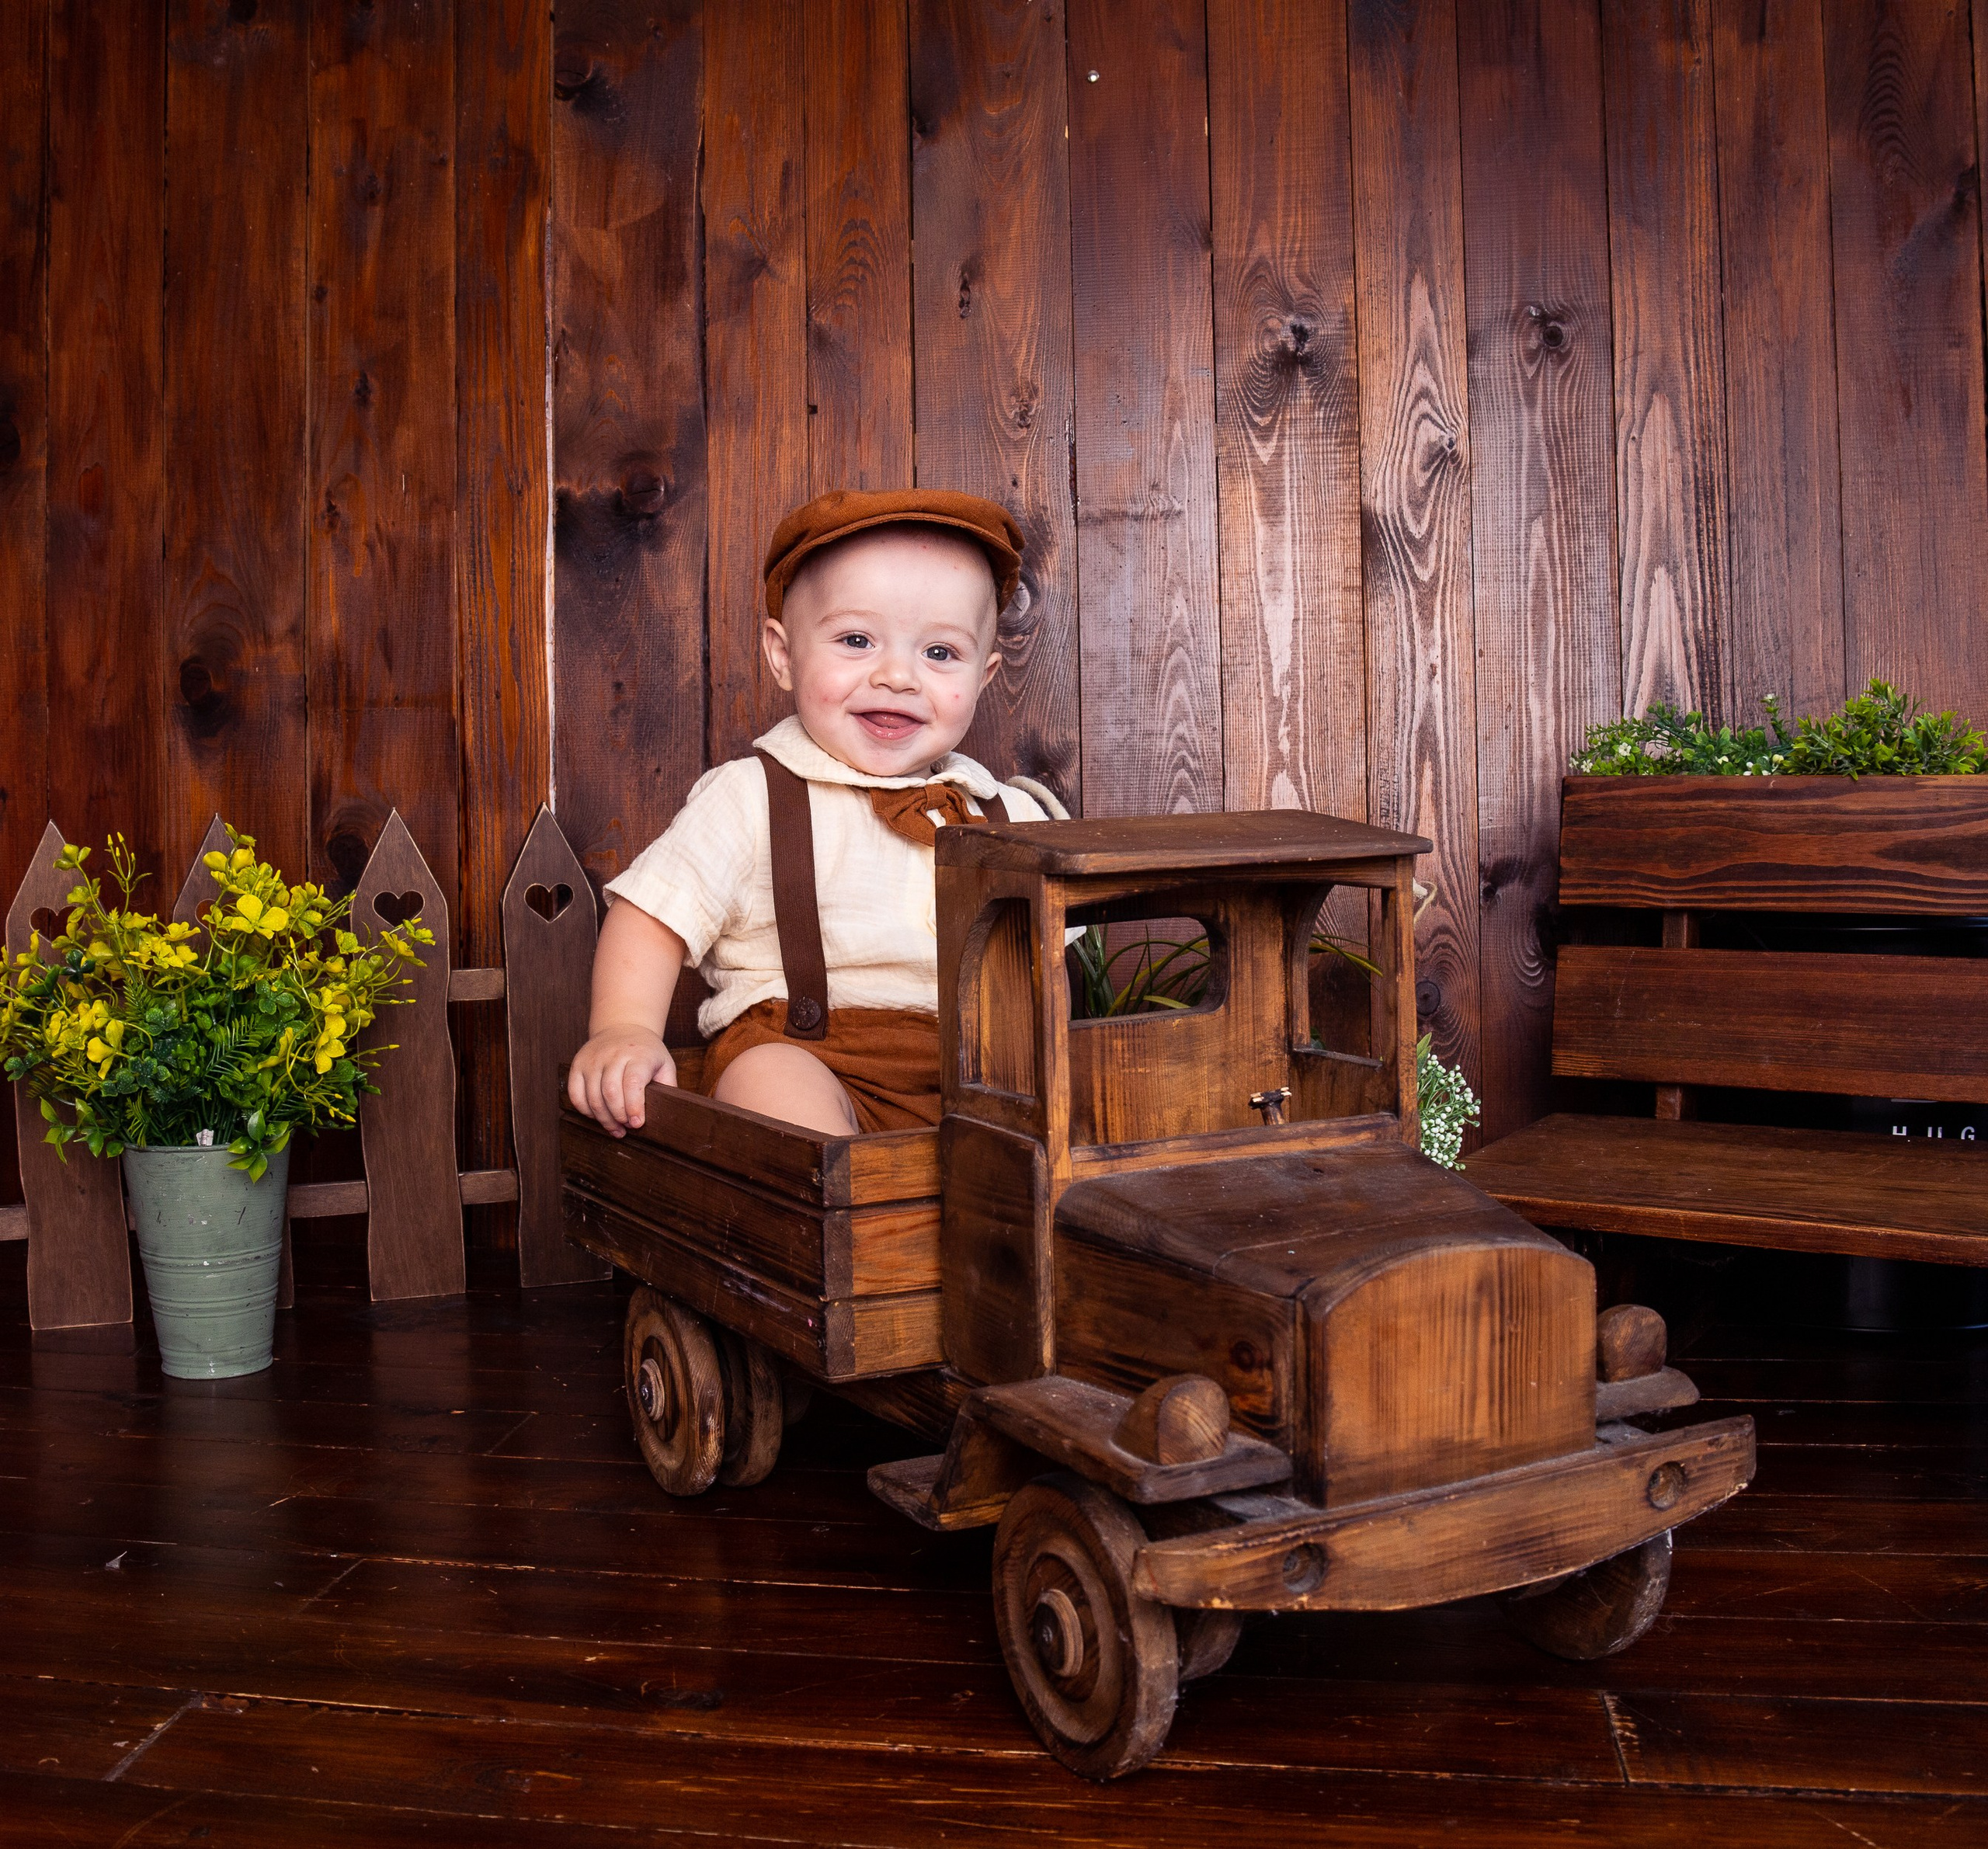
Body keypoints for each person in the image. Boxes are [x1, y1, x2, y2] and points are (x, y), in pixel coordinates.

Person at [565, 488, 1064, 1139]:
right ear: (783, 654)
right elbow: (652, 916)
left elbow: (1059, 955)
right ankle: (833, 1196)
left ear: (985, 675)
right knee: (769, 1081)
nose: (898, 676)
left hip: (984, 1079)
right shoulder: (752, 797)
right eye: (857, 640)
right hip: (811, 1056)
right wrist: (624, 1028)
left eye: (940, 653)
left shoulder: (1009, 812)